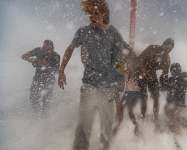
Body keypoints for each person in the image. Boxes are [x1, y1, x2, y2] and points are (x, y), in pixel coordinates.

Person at [57, 0, 131, 150]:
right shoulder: (83, 32)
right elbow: (70, 48)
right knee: (84, 125)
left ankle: (105, 147)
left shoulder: (112, 32)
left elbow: (119, 59)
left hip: (108, 87)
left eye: (96, 13)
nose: (92, 17)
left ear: (104, 14)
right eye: (91, 13)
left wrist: (125, 72)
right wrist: (61, 70)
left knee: (107, 126)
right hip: (89, 84)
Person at [138, 38, 174, 121]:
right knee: (144, 96)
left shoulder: (167, 59)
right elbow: (140, 59)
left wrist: (165, 84)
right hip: (141, 72)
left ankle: (156, 118)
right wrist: (143, 71)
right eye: (167, 47)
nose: (168, 50)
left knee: (156, 96)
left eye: (170, 49)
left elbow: (164, 75)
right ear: (163, 44)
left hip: (152, 75)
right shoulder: (152, 48)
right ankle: (142, 116)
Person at [21, 40, 60, 117]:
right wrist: (33, 60)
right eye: (44, 48)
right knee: (33, 97)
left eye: (48, 49)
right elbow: (23, 56)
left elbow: (55, 70)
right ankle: (36, 114)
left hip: (49, 80)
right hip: (38, 78)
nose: (46, 51)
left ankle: (44, 118)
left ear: (52, 48)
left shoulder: (56, 56)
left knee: (46, 101)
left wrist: (45, 65)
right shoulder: (38, 50)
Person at [113, 51, 146, 136]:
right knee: (123, 108)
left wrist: (139, 74)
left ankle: (131, 125)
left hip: (134, 92)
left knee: (127, 109)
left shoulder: (136, 67)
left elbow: (142, 75)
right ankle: (122, 125)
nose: (127, 60)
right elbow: (118, 67)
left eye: (128, 58)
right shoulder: (127, 67)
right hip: (129, 92)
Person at [164, 63, 187, 138]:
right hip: (173, 106)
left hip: (180, 106)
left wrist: (171, 81)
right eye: (172, 71)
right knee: (178, 121)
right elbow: (164, 87)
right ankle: (177, 136)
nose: (173, 72)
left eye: (174, 70)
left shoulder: (183, 77)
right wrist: (163, 77)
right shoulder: (172, 79)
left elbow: (184, 79)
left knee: (182, 122)